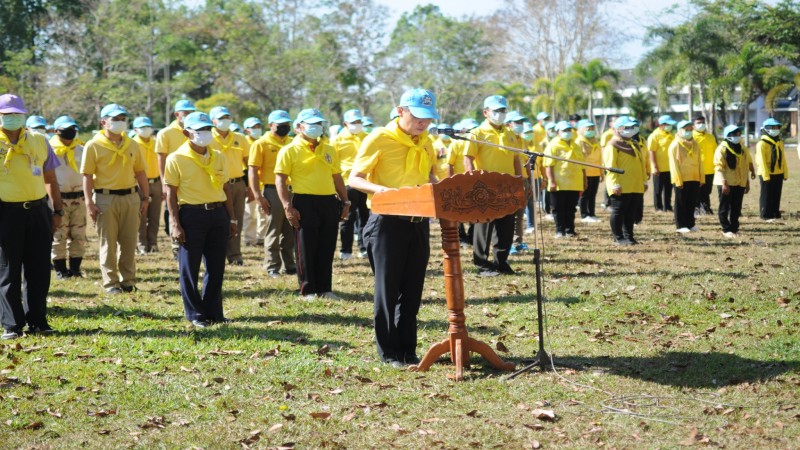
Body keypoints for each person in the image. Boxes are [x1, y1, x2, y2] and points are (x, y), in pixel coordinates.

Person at [349, 87, 439, 368]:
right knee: (387, 290)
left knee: (413, 289)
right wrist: (385, 191)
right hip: (387, 221)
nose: (423, 123)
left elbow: (430, 175)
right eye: (418, 117)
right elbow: (355, 178)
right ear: (401, 111)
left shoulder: (426, 142)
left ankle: (408, 350)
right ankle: (389, 352)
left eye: (428, 118)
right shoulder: (380, 138)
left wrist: (445, 192)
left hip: (418, 222)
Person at [164, 111, 237, 328]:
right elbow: (170, 193)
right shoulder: (176, 158)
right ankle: (195, 313)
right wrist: (175, 224)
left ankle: (214, 311)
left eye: (207, 130)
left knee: (216, 267)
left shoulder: (219, 156)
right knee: (190, 267)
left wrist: (232, 219)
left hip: (218, 214)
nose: (204, 134)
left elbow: (226, 188)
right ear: (187, 133)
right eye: (199, 130)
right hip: (191, 214)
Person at [0, 94, 63, 339]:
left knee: (38, 270)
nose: (13, 118)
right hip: (6, 212)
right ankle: (11, 324)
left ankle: (38, 320)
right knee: (8, 270)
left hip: (38, 210)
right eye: (7, 115)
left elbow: (50, 179)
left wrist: (57, 210)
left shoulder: (38, 140)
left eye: (17, 113)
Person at [275, 109, 348, 298]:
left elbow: (337, 176)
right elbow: (280, 180)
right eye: (311, 124)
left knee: (327, 245)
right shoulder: (289, 150)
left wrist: (345, 200)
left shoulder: (329, 149)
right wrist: (287, 206)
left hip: (329, 201)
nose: (316, 127)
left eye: (319, 123)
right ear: (299, 127)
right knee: (305, 247)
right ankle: (308, 289)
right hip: (304, 201)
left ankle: (325, 288)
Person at [81, 103, 149, 293]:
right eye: (115, 119)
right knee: (107, 243)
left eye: (122, 119)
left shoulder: (132, 143)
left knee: (129, 243)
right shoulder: (93, 145)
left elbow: (140, 172)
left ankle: (128, 281)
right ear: (104, 122)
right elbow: (86, 175)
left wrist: (145, 197)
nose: (120, 122)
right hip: (105, 198)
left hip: (130, 197)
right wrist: (89, 202)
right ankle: (111, 283)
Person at [464, 95, 522, 276]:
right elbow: (468, 158)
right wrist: (473, 181)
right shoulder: (477, 133)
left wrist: (520, 179)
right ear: (486, 112)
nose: (500, 114)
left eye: (503, 110)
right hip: (485, 187)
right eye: (496, 110)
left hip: (507, 187)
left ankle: (501, 261)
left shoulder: (510, 133)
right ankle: (482, 263)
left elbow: (515, 158)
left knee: (506, 225)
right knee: (484, 226)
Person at [248, 110, 297, 277]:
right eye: (280, 125)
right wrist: (258, 196)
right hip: (272, 191)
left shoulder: (293, 142)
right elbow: (253, 171)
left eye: (287, 125)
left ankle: (290, 265)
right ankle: (272, 266)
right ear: (270, 125)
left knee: (291, 229)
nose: (284, 127)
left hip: (292, 190)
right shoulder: (261, 144)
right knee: (273, 229)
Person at [208, 106, 249, 265]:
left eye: (227, 117)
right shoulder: (208, 139)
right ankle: (217, 254)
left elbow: (248, 162)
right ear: (213, 121)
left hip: (237, 183)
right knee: (218, 219)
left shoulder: (240, 138)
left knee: (236, 219)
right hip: (215, 184)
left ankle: (235, 255)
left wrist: (250, 185)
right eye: (221, 118)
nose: (225, 120)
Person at [156, 99, 196, 257]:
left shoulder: (195, 131)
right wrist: (164, 183)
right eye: (186, 113)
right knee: (172, 212)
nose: (188, 116)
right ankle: (176, 246)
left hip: (191, 181)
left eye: (192, 113)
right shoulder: (165, 133)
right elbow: (161, 159)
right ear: (176, 114)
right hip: (173, 181)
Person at [50, 115, 87, 278]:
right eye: (66, 129)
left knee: (78, 234)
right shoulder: (49, 150)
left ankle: (75, 268)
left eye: (72, 129)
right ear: (56, 131)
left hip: (79, 198)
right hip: (59, 198)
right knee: (59, 234)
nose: (70, 132)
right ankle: (60, 270)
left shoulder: (81, 149)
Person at [603, 116, 648, 245]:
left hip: (635, 184)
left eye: (631, 127)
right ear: (617, 129)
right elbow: (610, 167)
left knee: (631, 212)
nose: (630, 130)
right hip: (621, 185)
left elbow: (641, 164)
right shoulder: (612, 145)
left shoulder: (633, 143)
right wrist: (614, 184)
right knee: (618, 211)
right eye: (626, 128)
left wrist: (644, 181)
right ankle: (618, 237)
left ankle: (629, 237)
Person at [334, 109, 369, 260]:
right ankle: (346, 250)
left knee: (365, 217)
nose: (357, 125)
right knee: (348, 218)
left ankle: (364, 248)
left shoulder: (367, 138)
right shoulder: (338, 140)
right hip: (347, 183)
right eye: (353, 122)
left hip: (366, 182)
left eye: (359, 122)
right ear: (345, 124)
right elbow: (333, 166)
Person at [544, 121, 586, 238]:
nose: (568, 133)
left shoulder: (576, 145)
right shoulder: (553, 145)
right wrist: (551, 181)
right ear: (558, 132)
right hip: (559, 183)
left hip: (574, 183)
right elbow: (549, 165)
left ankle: (570, 230)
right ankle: (559, 231)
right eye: (564, 130)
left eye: (569, 130)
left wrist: (584, 179)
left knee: (571, 209)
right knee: (558, 209)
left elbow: (582, 165)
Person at [714, 125, 755, 237]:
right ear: (728, 136)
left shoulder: (742, 148)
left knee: (736, 207)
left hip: (739, 182)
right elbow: (719, 167)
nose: (737, 136)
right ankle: (726, 229)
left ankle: (734, 228)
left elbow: (745, 166)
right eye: (734, 134)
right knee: (724, 207)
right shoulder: (722, 149)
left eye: (738, 134)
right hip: (726, 182)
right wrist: (724, 183)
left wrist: (747, 181)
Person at [668, 120, 703, 233]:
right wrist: (678, 181)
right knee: (680, 202)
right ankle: (680, 225)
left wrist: (701, 177)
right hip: (681, 178)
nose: (688, 132)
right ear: (679, 131)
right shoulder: (675, 145)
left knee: (691, 201)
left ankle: (690, 223)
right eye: (685, 130)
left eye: (690, 129)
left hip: (694, 177)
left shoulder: (695, 144)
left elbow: (699, 162)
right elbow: (674, 165)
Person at [133, 116, 161, 254]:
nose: (146, 130)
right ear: (135, 129)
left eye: (148, 127)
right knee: (141, 215)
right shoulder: (133, 144)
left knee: (155, 215)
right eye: (142, 127)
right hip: (139, 183)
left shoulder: (156, 142)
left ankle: (153, 243)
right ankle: (141, 244)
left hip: (156, 182)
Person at [504, 111, 530, 254]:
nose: (520, 125)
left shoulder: (521, 139)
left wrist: (529, 181)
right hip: (510, 181)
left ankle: (517, 241)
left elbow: (527, 161)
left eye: (521, 122)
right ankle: (509, 244)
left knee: (519, 214)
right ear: (508, 124)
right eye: (517, 122)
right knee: (509, 215)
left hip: (523, 180)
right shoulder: (506, 139)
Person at [755, 118, 788, 221]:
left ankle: (775, 213)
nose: (776, 129)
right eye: (773, 127)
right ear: (767, 129)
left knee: (776, 194)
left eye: (777, 127)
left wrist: (785, 173)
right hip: (766, 173)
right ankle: (765, 214)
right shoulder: (762, 144)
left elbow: (783, 159)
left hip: (778, 172)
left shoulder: (779, 143)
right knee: (766, 195)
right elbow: (761, 161)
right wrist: (766, 176)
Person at [242, 116, 267, 247]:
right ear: (246, 130)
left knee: (262, 212)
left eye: (258, 127)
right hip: (250, 184)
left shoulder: (263, 142)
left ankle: (261, 237)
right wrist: (248, 186)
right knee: (250, 214)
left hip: (263, 183)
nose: (257, 129)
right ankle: (249, 239)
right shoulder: (244, 143)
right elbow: (245, 167)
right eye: (253, 127)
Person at [575, 119, 602, 223]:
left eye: (592, 128)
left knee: (593, 194)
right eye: (588, 128)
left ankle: (592, 213)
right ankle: (584, 214)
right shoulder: (579, 142)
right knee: (585, 194)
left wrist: (600, 171)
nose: (591, 130)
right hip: (585, 172)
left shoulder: (595, 141)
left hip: (595, 171)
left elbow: (599, 157)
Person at [647, 114, 676, 212]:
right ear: (662, 125)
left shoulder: (671, 135)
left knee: (668, 189)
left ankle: (667, 206)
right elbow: (651, 151)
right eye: (668, 124)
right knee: (658, 190)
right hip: (659, 168)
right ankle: (658, 207)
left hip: (670, 167)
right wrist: (654, 166)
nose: (670, 126)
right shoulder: (654, 136)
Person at [693, 114, 717, 215]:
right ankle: (696, 208)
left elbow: (716, 151)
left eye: (703, 122)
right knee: (697, 191)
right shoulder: (692, 137)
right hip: (696, 169)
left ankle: (706, 208)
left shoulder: (710, 137)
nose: (701, 125)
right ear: (693, 125)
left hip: (710, 169)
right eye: (698, 123)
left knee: (707, 191)